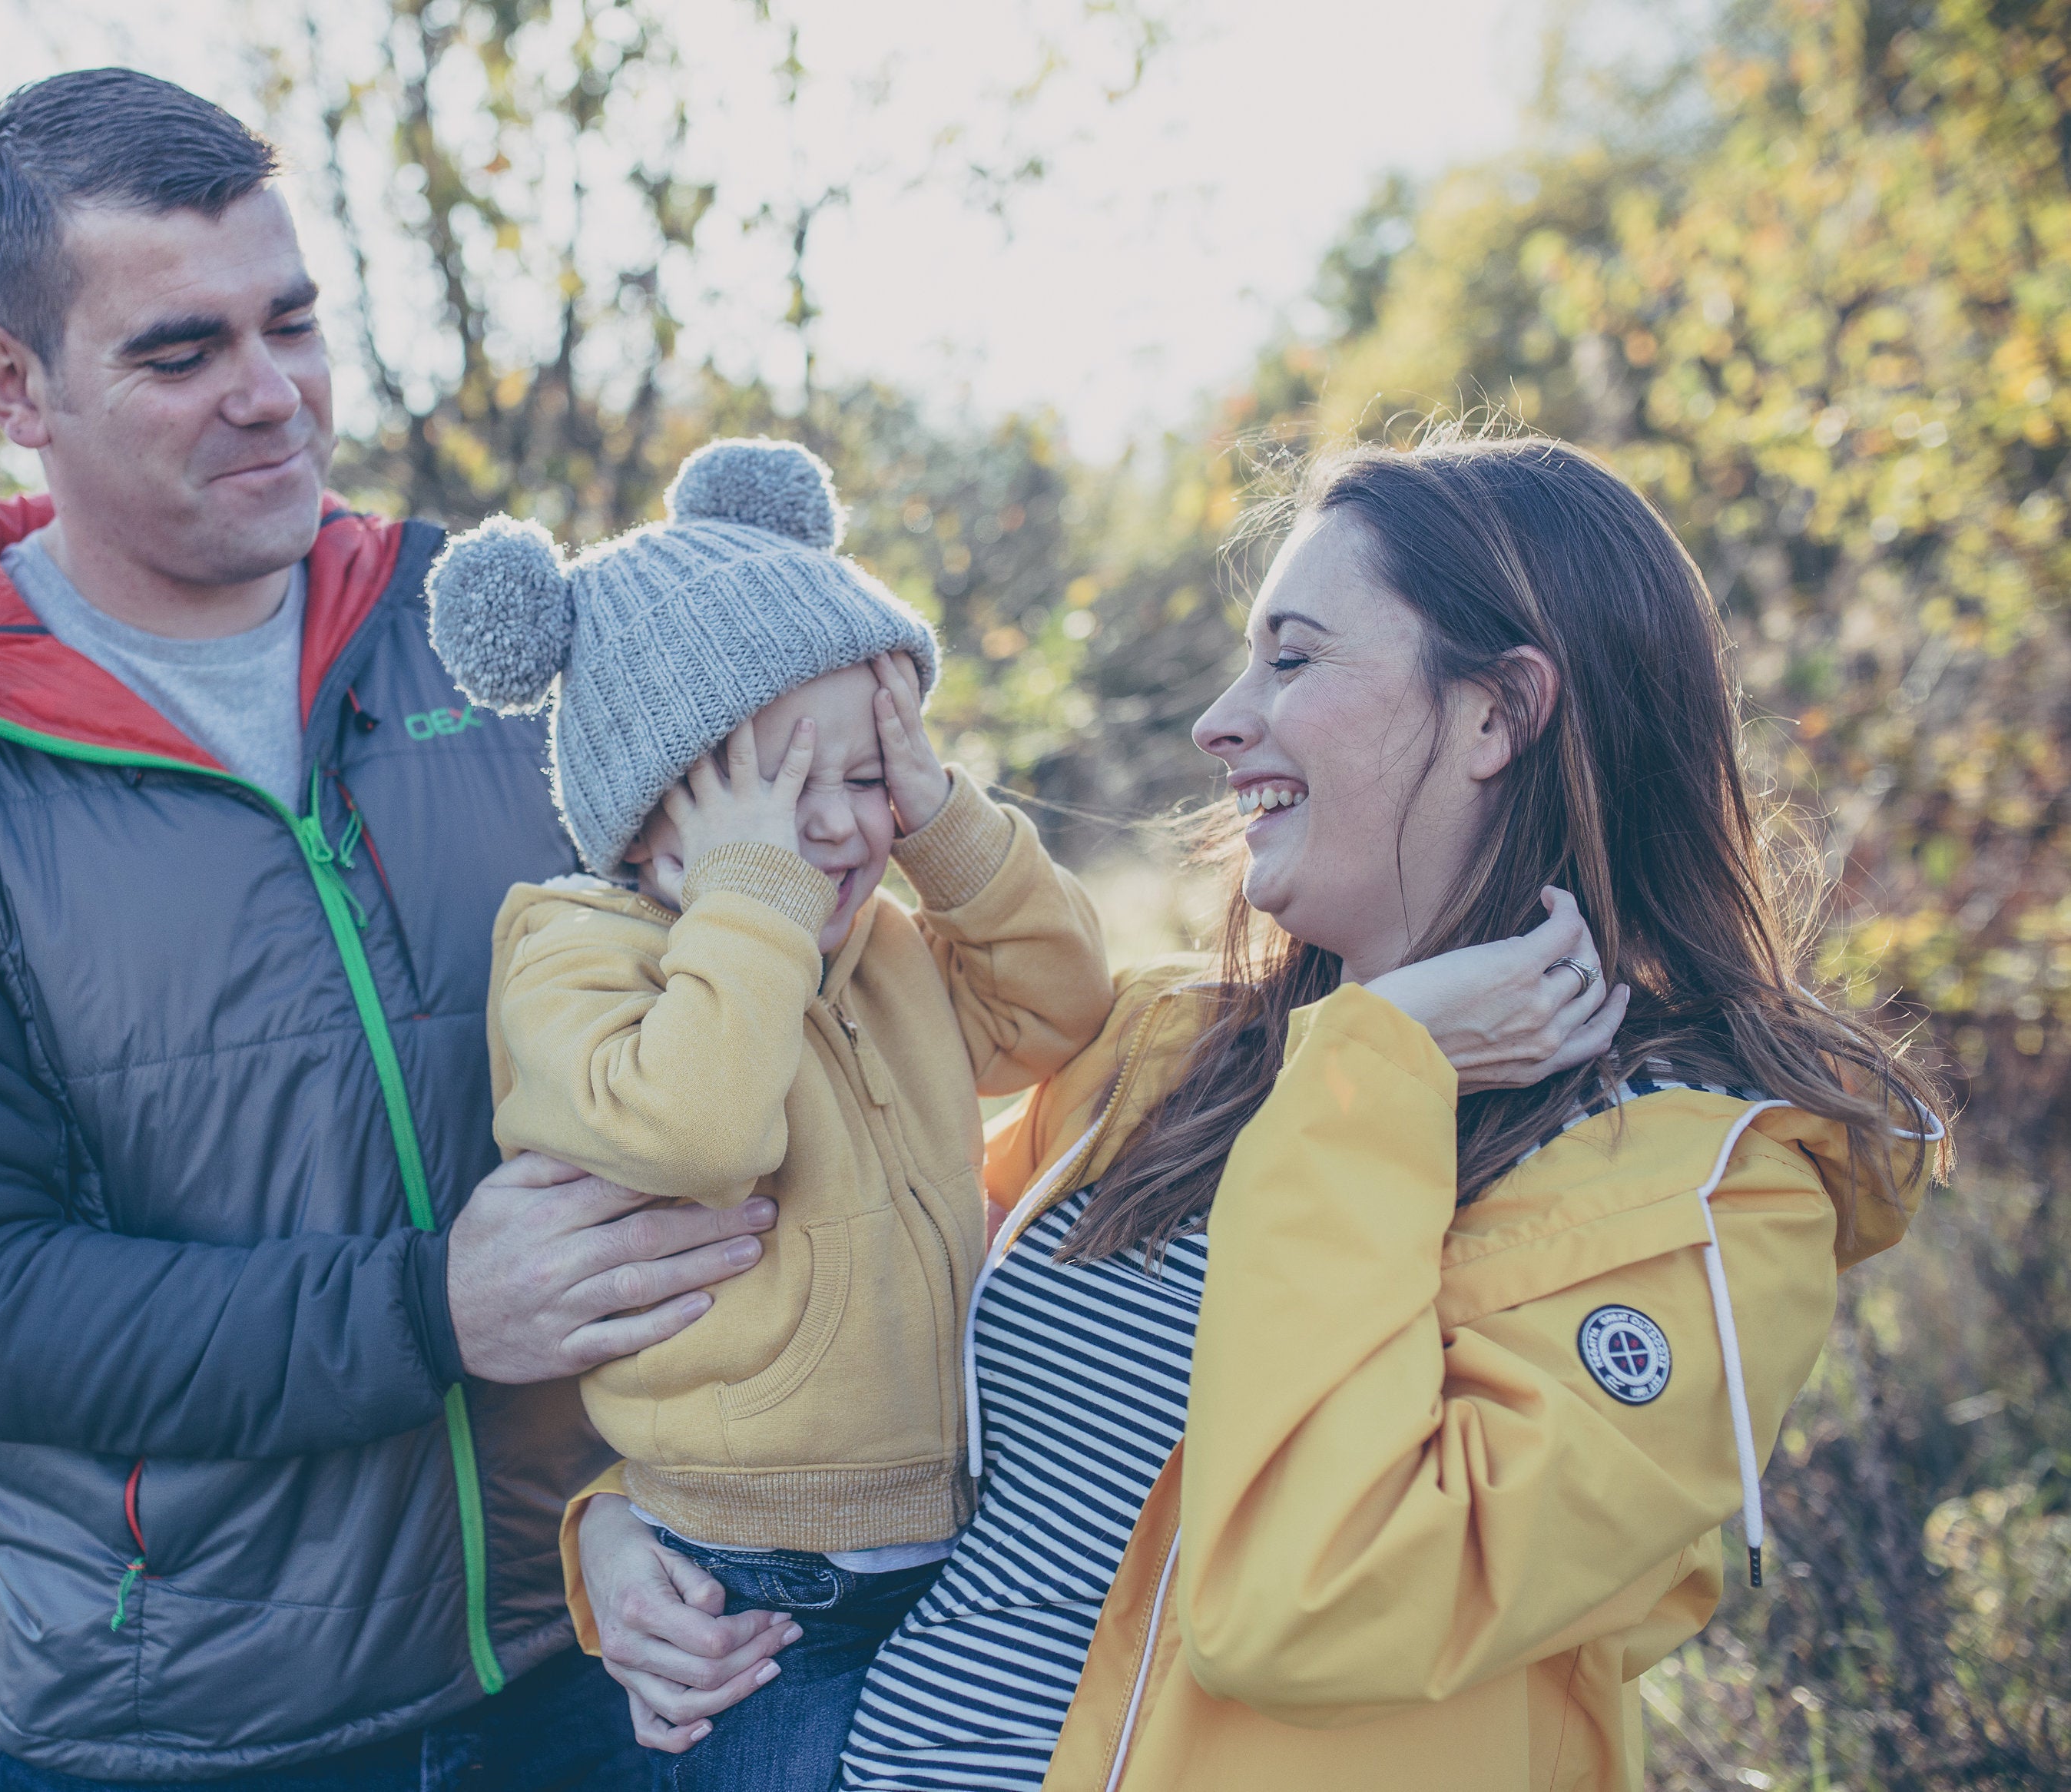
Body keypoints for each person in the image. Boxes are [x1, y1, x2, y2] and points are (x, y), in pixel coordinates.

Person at [575, 432, 1949, 1791]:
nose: (1218, 720)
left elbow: (1311, 1601)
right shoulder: (1164, 1048)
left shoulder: (1707, 1197)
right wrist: (630, 1529)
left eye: (1292, 658)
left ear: (1496, 713)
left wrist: (1376, 1072)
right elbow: (854, 1323)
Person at [0, 69, 789, 1790]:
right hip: (196, 1723)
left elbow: (766, 1038)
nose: (271, 397)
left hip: (624, 1653)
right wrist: (427, 1310)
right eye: (180, 352)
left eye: (291, 325)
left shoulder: (492, 635)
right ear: (12, 383)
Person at [426, 439, 1115, 1788]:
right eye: (775, 796)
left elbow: (1061, 1011)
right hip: (743, 1593)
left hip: (950, 1533)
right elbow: (698, 1130)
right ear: (642, 815)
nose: (839, 828)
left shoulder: (892, 948)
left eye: (868, 776)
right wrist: (755, 899)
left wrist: (953, 829)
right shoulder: (575, 957)